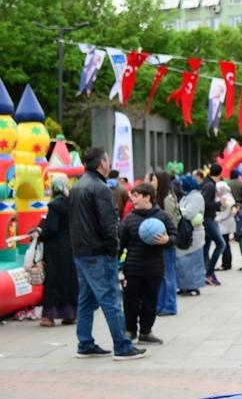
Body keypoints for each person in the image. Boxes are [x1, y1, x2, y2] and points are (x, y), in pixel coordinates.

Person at [69, 148, 146, 360]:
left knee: (85, 299)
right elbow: (108, 224)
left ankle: (85, 343)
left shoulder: (77, 186)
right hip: (99, 252)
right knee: (111, 298)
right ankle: (122, 346)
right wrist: (114, 250)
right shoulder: (99, 188)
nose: (109, 163)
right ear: (103, 163)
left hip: (81, 251)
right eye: (108, 160)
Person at [119, 183, 176, 345]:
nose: (133, 199)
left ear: (147, 197)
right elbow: (121, 243)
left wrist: (167, 240)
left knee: (150, 301)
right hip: (133, 267)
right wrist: (115, 263)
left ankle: (146, 331)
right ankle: (130, 331)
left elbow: (174, 236)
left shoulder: (162, 216)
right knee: (130, 302)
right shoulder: (129, 218)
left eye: (136, 196)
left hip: (154, 267)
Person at [36, 175, 78, 327]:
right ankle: (70, 315)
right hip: (70, 246)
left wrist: (40, 234)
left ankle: (49, 316)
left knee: (53, 280)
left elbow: (52, 228)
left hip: (55, 249)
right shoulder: (71, 203)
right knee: (69, 279)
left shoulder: (54, 205)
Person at [150, 171, 180, 316]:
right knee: (161, 275)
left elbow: (172, 223)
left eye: (154, 180)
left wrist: (166, 237)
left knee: (168, 275)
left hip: (166, 242)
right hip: (159, 242)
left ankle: (170, 305)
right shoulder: (159, 197)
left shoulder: (167, 199)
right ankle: (161, 305)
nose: (152, 182)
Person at [176, 175, 206, 295]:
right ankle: (183, 286)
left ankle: (193, 286)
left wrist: (178, 211)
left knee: (193, 262)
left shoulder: (196, 196)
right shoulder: (186, 195)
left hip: (194, 233)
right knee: (183, 262)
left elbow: (189, 213)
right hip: (185, 232)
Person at [199, 166, 224, 285]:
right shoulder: (210, 185)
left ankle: (204, 274)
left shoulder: (207, 183)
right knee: (221, 244)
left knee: (205, 248)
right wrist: (219, 204)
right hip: (208, 219)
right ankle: (209, 273)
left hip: (206, 218)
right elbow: (204, 203)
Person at [214, 182, 236, 271]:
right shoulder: (227, 197)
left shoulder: (226, 198)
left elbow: (226, 212)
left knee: (224, 243)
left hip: (224, 223)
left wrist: (217, 218)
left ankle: (225, 264)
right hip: (225, 223)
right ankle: (227, 263)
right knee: (226, 243)